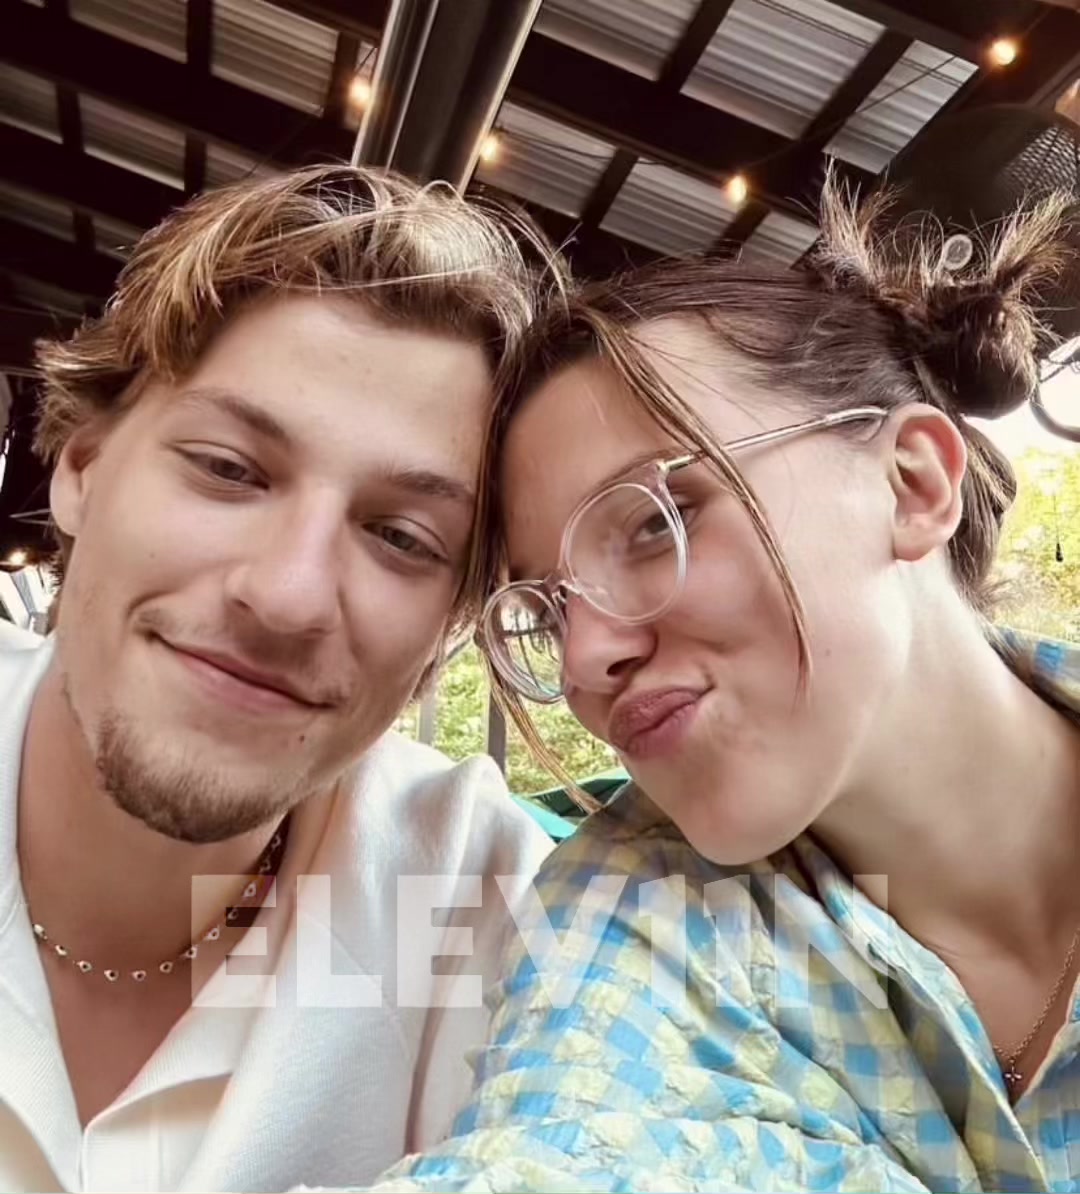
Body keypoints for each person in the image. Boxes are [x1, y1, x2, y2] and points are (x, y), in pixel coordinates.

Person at [360, 187, 1080, 1191]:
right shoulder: (641, 916)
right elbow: (564, 1151)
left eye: (655, 523)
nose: (585, 661)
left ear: (913, 483)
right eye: (549, 611)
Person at [0, 165, 559, 1192]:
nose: (290, 595)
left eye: (401, 537)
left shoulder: (484, 906)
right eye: (228, 468)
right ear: (80, 467)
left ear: (450, 629)